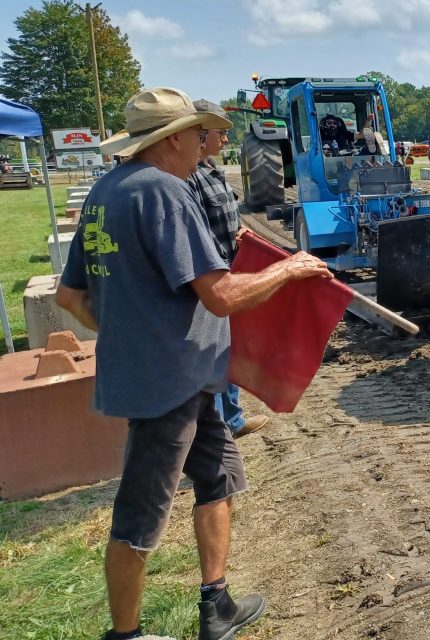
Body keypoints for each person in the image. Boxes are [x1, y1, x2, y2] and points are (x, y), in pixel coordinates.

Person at [54, 87, 332, 640]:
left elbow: (70, 296)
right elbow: (221, 295)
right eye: (198, 133)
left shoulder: (107, 191)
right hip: (167, 386)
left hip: (190, 376)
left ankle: (217, 605)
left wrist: (131, 331)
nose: (204, 143)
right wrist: (291, 268)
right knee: (139, 518)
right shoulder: (165, 192)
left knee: (219, 476)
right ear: (173, 139)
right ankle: (125, 635)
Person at [187, 99, 270, 440]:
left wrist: (239, 232)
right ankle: (219, 431)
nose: (225, 139)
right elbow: (194, 229)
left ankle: (232, 420)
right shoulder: (188, 177)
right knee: (213, 355)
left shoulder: (211, 169)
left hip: (227, 270)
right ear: (199, 133)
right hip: (210, 279)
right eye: (220, 132)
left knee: (227, 349)